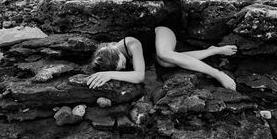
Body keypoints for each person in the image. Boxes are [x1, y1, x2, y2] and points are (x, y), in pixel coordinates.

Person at [87, 26, 237, 90]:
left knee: (164, 55)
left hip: (162, 34)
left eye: (121, 63)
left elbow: (139, 76)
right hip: (156, 53)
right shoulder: (111, 57)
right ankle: (212, 51)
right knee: (166, 62)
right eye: (119, 69)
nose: (122, 68)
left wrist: (110, 74)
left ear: (116, 52)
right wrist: (106, 72)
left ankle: (217, 73)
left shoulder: (130, 44)